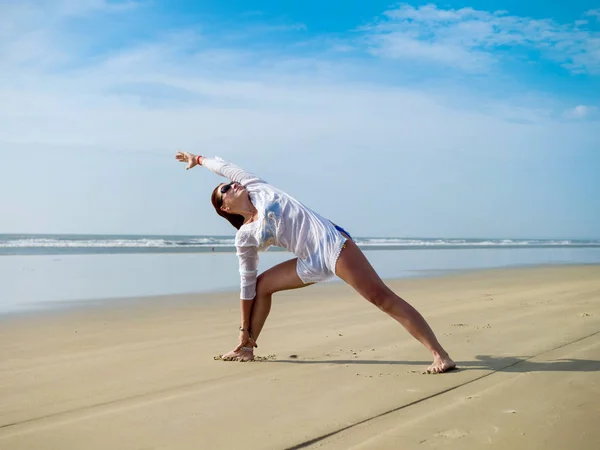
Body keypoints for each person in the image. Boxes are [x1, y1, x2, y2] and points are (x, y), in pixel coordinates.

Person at [175, 151, 456, 374]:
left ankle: (440, 355)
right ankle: (247, 347)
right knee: (261, 286)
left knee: (379, 297)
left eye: (230, 182)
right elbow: (246, 283)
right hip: (310, 260)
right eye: (225, 188)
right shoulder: (246, 236)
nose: (232, 183)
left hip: (332, 243)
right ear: (225, 207)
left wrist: (198, 160)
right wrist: (242, 329)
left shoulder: (256, 187)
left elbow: (223, 166)